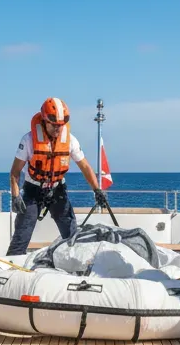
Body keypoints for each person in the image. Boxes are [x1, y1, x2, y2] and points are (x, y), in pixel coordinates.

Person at [6, 97, 107, 256]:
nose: (58, 129)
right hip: (33, 191)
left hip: (57, 190)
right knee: (22, 235)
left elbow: (85, 166)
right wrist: (15, 196)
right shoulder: (29, 140)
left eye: (61, 125)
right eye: (54, 125)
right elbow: (15, 172)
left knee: (71, 233)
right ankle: (12, 268)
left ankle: (75, 267)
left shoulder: (70, 141)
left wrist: (97, 190)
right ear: (45, 121)